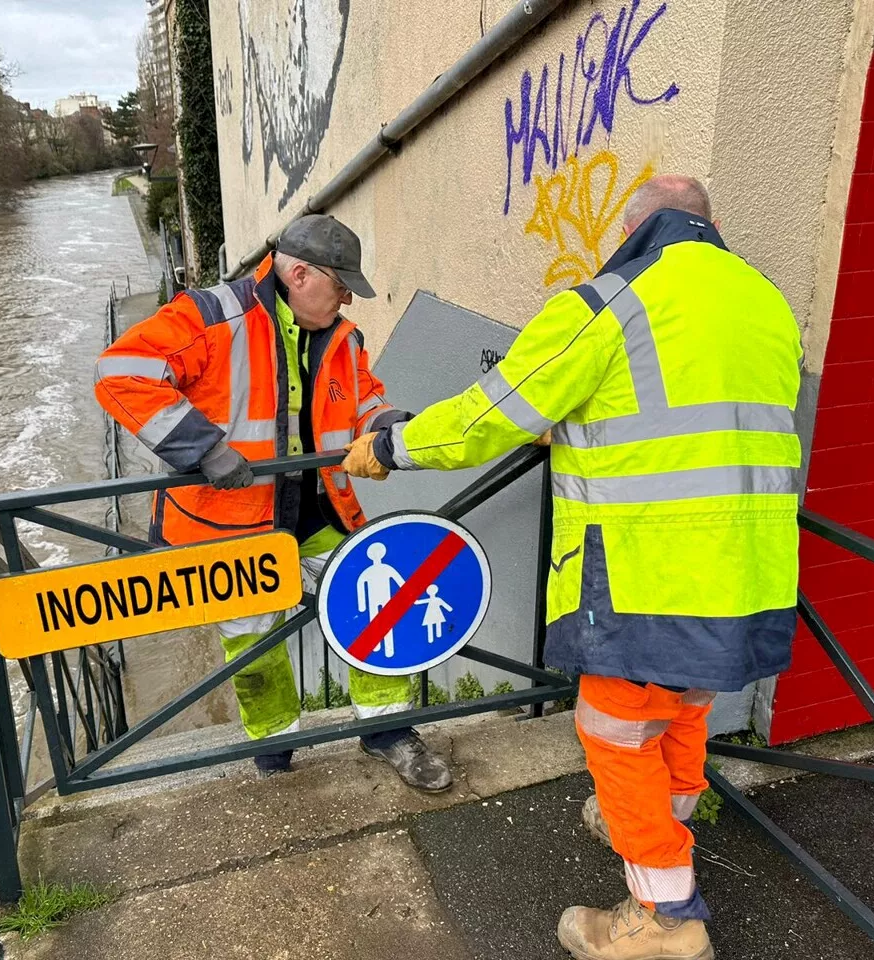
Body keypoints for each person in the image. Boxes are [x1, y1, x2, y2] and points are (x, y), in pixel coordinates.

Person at [342, 175, 801, 959]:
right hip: (751, 570)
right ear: (708, 225)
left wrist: (390, 446)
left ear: (634, 228)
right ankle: (666, 825)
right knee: (682, 707)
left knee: (614, 732)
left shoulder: (608, 303)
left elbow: (493, 412)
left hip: (646, 575)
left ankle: (663, 918)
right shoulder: (767, 304)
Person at [95, 214, 452, 793]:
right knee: (254, 641)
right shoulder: (211, 315)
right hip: (230, 521)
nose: (345, 299)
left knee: (376, 605)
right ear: (301, 273)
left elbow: (365, 400)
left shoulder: (345, 337)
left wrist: (391, 428)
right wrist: (202, 447)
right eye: (340, 286)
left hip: (319, 509)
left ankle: (389, 729)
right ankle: (274, 747)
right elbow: (121, 371)